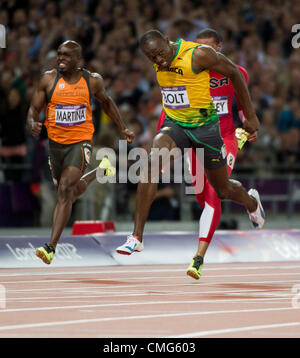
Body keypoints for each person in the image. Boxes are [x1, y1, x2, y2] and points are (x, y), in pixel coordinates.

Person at [116, 29, 265, 278]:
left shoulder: (198, 55)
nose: (158, 61)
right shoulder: (158, 58)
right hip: (176, 125)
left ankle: (251, 202)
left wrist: (250, 117)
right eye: (151, 58)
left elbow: (236, 74)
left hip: (206, 130)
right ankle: (136, 237)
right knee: (151, 164)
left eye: (161, 54)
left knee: (221, 190)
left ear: (168, 42)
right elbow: (171, 97)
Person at [156, 28, 258, 279]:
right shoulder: (186, 70)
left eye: (207, 48)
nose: (200, 52)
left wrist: (248, 122)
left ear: (219, 48)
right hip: (196, 137)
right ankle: (251, 202)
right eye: (196, 46)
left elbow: (242, 102)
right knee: (203, 198)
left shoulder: (234, 72)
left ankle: (198, 258)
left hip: (225, 138)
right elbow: (171, 105)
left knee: (214, 194)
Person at [27, 40, 134, 265]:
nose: (61, 58)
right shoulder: (48, 79)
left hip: (81, 142)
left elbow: (107, 102)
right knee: (69, 193)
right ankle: (100, 171)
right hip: (55, 146)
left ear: (78, 60)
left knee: (65, 189)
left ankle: (50, 247)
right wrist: (31, 122)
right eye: (59, 54)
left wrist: (122, 126)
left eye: (66, 55)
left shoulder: (92, 81)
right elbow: (34, 107)